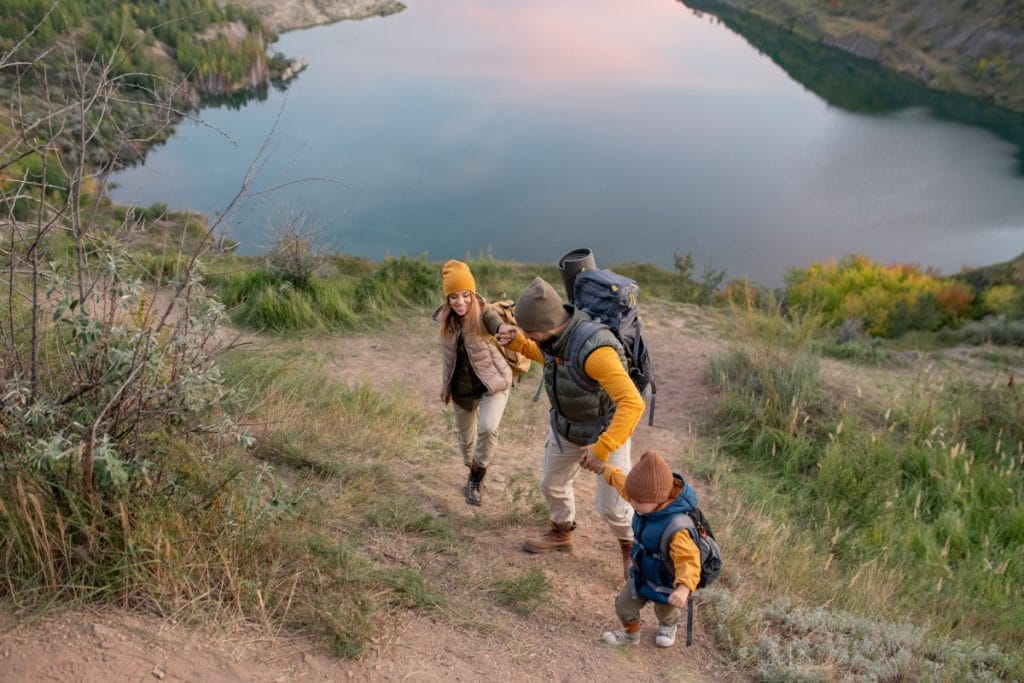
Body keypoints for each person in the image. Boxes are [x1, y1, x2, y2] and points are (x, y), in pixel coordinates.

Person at [495, 276, 645, 577]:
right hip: (567, 427)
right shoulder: (557, 336)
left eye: (530, 332)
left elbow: (632, 403)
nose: (528, 335)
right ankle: (562, 532)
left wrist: (603, 449)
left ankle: (632, 549)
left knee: (613, 506)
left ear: (547, 326)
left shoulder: (597, 352)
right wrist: (519, 343)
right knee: (551, 484)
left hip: (605, 431)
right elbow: (552, 359)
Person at [582, 450, 701, 648]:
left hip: (667, 578)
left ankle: (668, 625)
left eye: (639, 502)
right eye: (632, 499)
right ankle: (631, 635)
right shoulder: (643, 498)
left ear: (660, 499)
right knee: (624, 606)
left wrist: (683, 588)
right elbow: (622, 483)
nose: (633, 504)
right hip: (642, 571)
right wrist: (604, 469)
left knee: (666, 609)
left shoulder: (677, 528)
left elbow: (689, 561)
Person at [434, 259, 513, 506]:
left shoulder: (484, 312)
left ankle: (476, 479)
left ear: (473, 293)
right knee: (466, 444)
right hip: (461, 390)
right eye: (454, 297)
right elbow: (448, 360)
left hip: (493, 385)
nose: (461, 302)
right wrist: (445, 387)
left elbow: (494, 322)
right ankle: (472, 469)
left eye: (466, 295)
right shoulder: (446, 320)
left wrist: (502, 329)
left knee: (488, 428)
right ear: (447, 299)